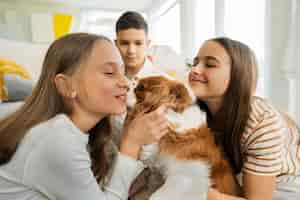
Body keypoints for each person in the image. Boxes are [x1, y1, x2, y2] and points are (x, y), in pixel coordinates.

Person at [0, 33, 170, 200]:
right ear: (67, 85)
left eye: (123, 72)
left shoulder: (87, 130)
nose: (126, 83)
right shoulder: (55, 138)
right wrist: (132, 144)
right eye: (110, 73)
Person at [188, 37, 300, 200]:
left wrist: (197, 193)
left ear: (237, 75)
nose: (195, 70)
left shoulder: (262, 122)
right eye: (195, 62)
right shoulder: (193, 111)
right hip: (239, 179)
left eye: (210, 64)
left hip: (282, 187)